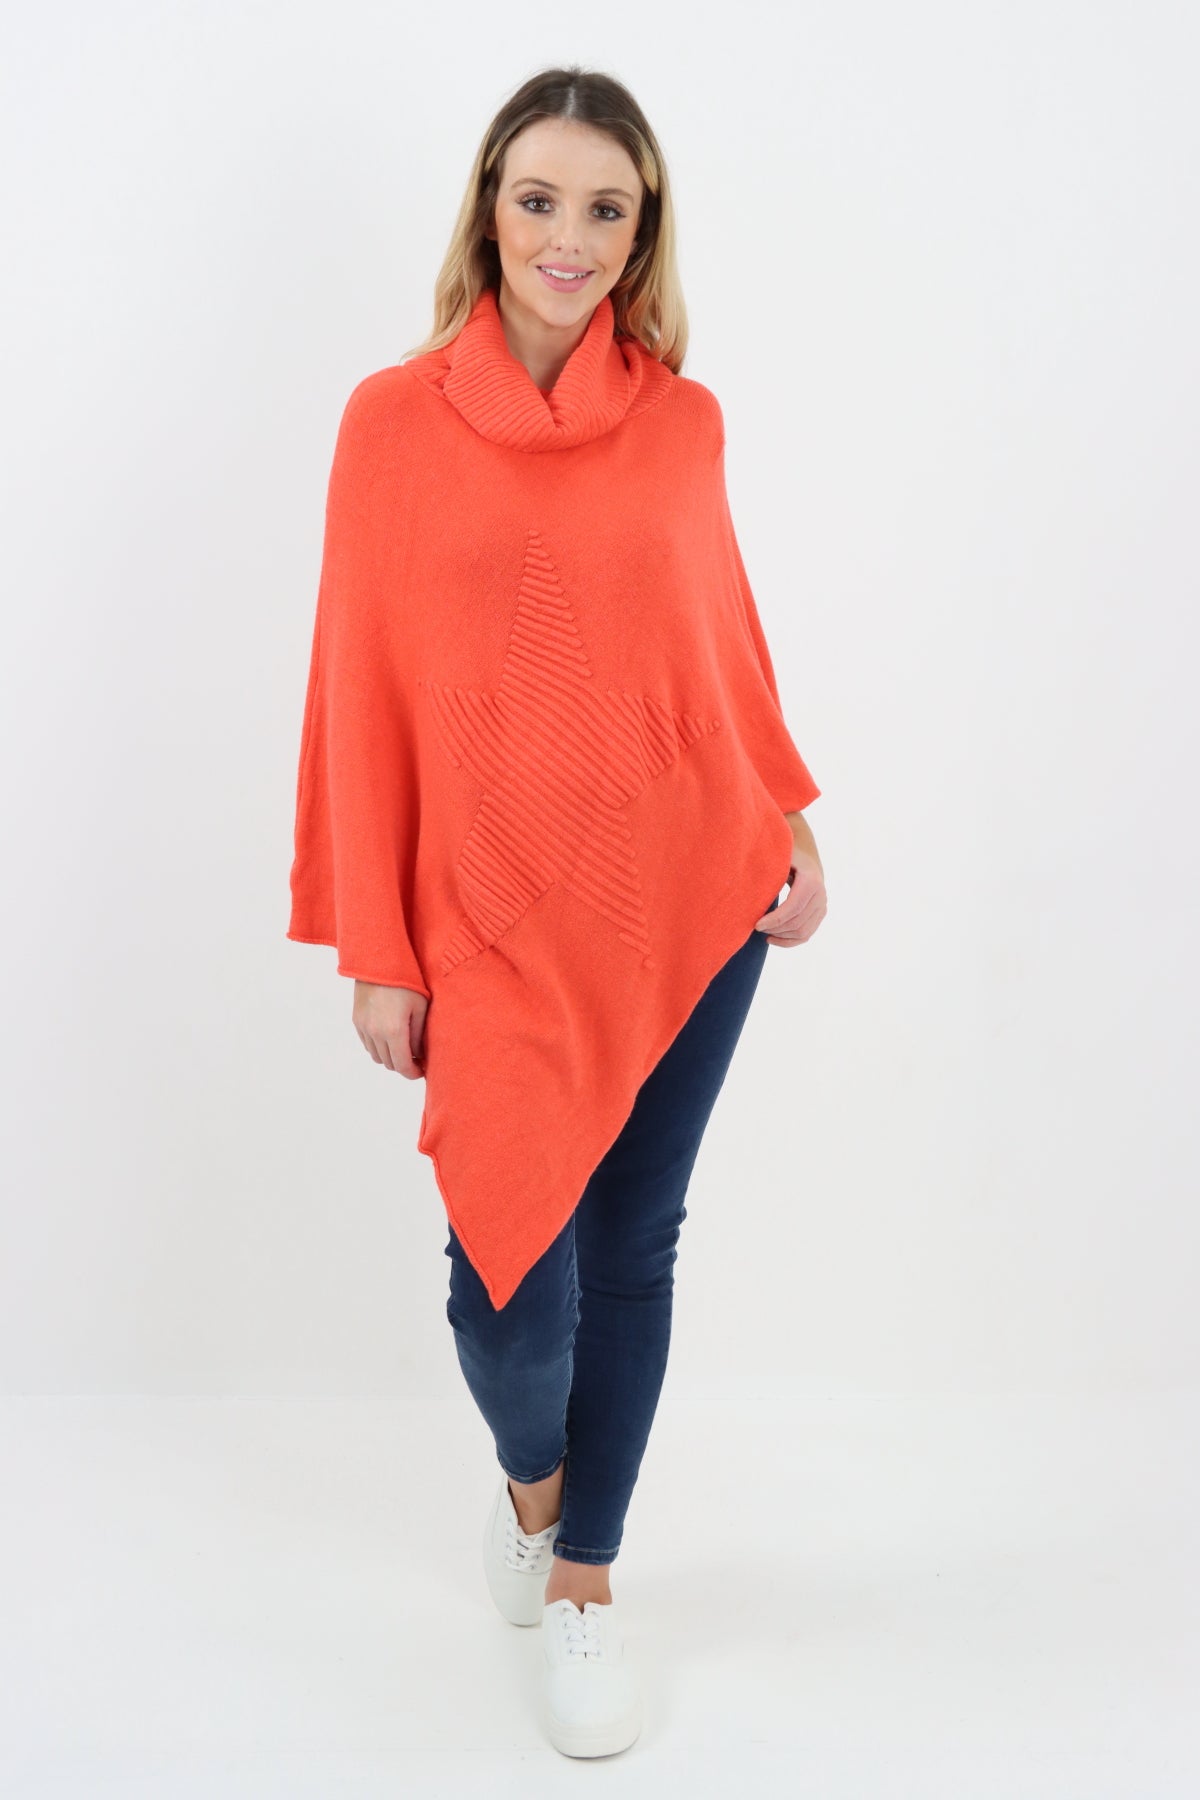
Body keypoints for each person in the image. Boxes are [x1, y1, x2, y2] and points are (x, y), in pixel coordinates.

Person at [287, 64, 828, 1759]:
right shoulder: (389, 423)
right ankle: (538, 1490)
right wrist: (379, 947)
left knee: (632, 1248)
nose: (569, 237)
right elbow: (355, 689)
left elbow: (717, 641)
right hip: (491, 925)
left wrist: (789, 815)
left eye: (608, 207)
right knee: (504, 1295)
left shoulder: (684, 422)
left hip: (685, 890)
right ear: (489, 212)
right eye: (539, 200)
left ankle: (586, 1578)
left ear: (643, 229)